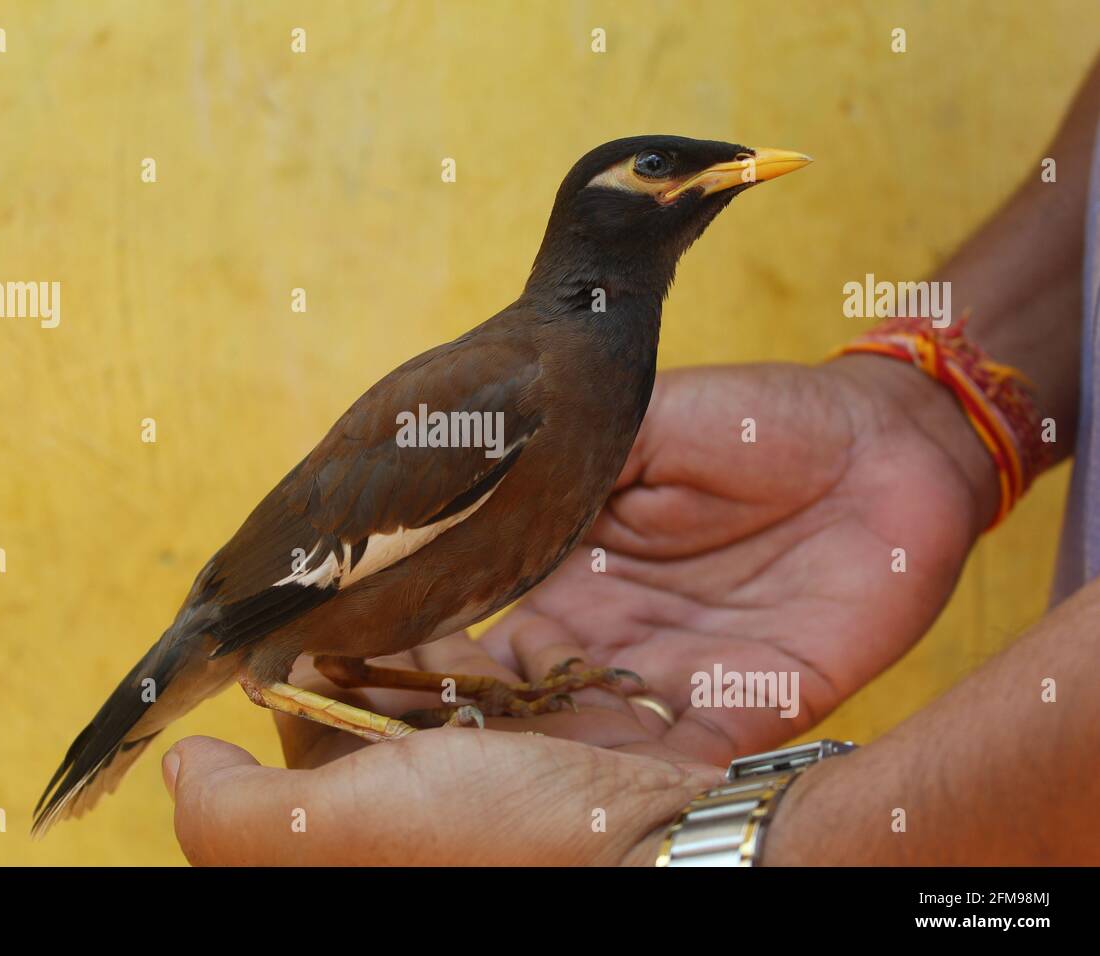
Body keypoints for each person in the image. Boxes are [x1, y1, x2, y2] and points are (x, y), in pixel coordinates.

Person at [161, 56, 1100, 866]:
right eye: (655, 169)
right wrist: (923, 413)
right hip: (262, 613)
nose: (705, 172)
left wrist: (651, 843)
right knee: (283, 662)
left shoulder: (586, 370)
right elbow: (291, 609)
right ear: (593, 218)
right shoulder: (515, 383)